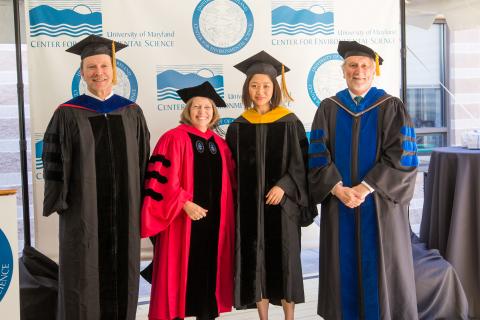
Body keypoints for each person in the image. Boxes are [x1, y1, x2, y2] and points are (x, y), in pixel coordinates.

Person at [308, 40, 419, 319]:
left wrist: (364, 187)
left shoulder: (391, 106)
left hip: (379, 203)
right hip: (340, 201)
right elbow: (318, 155)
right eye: (353, 66)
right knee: (341, 267)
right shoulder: (329, 108)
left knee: (382, 272)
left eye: (365, 66)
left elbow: (403, 155)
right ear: (344, 71)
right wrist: (338, 189)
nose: (359, 71)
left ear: (374, 70)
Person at [42, 35, 150, 319]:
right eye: (91, 67)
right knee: (83, 273)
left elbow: (142, 161)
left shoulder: (131, 112)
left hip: (125, 209)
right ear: (82, 72)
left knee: (122, 270)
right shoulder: (67, 113)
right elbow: (53, 161)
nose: (98, 73)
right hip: (83, 210)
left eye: (104, 66)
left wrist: (142, 201)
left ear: (114, 71)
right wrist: (62, 200)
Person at [226, 51, 316, 320]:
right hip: (249, 209)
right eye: (254, 85)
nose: (260, 90)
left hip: (283, 207)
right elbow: (231, 170)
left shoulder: (289, 122)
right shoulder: (239, 126)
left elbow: (302, 163)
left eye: (265, 85)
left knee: (285, 261)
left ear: (275, 88)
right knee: (256, 264)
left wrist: (285, 186)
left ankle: (289, 318)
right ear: (247, 89)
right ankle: (262, 317)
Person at [141, 81, 235, 320]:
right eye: (196, 107)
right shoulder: (173, 138)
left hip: (215, 222)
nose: (202, 111)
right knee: (179, 273)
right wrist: (184, 203)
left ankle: (206, 313)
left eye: (207, 107)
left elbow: (231, 185)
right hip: (181, 220)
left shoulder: (220, 145)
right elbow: (160, 181)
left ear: (214, 113)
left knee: (209, 272)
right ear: (187, 110)